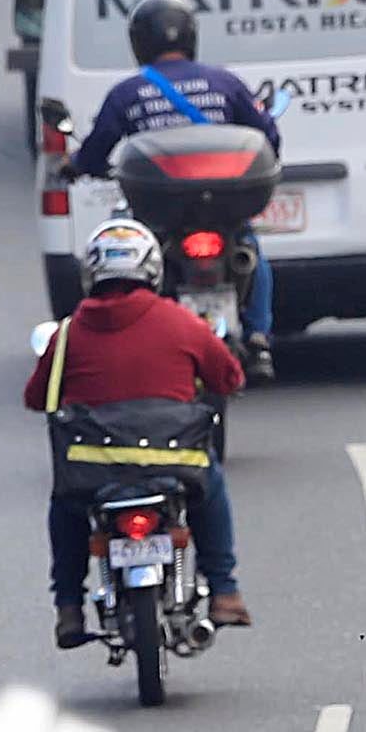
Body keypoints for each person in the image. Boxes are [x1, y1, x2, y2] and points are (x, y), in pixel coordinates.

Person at [27, 218, 250, 641]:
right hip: (175, 464)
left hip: (93, 473)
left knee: (65, 508)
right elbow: (230, 378)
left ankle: (69, 607)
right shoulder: (183, 323)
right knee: (212, 485)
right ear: (152, 270)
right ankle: (225, 592)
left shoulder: (68, 334)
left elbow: (37, 398)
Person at [68, 0, 285, 378]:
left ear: (139, 42)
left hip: (161, 209)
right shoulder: (224, 83)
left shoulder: (127, 93)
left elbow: (94, 151)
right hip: (225, 205)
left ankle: (133, 336)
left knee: (132, 257)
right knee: (249, 249)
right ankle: (258, 335)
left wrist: (76, 166)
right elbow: (268, 136)